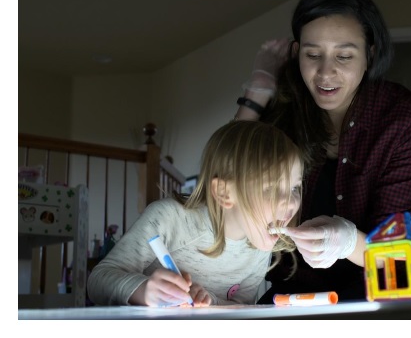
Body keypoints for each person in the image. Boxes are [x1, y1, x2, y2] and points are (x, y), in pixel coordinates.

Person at [234, 0, 411, 302]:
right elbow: (228, 173)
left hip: (372, 291)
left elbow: (396, 255)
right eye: (313, 55)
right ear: (297, 52)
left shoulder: (403, 117)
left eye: (344, 55)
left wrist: (349, 241)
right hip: (288, 293)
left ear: (370, 53)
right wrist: (259, 88)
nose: (326, 73)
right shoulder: (283, 109)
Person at [87, 120, 304, 307]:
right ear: (224, 192)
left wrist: (210, 301)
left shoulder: (259, 244)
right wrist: (143, 291)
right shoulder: (169, 219)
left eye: (295, 188)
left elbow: (240, 308)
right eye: (271, 189)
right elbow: (98, 280)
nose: (291, 204)